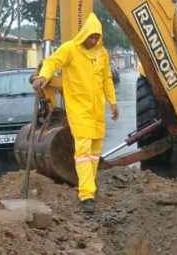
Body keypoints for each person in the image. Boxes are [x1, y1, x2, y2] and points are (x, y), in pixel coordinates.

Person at [32, 13, 118, 214]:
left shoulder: (102, 53)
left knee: (95, 150)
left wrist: (113, 103)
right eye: (91, 36)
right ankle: (86, 194)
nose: (94, 40)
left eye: (97, 37)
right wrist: (44, 76)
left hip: (97, 110)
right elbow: (52, 62)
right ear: (84, 34)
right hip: (79, 109)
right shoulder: (70, 49)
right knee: (83, 149)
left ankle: (90, 184)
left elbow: (107, 79)